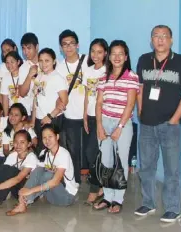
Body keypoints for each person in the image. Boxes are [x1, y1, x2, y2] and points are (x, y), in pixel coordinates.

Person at [135, 25, 181, 223]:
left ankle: (173, 208)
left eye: (164, 36)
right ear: (151, 40)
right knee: (146, 167)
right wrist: (140, 111)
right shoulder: (143, 60)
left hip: (170, 124)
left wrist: (174, 119)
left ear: (171, 40)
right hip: (146, 123)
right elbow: (139, 88)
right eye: (156, 36)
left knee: (171, 168)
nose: (160, 39)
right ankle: (148, 203)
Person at [92, 40, 139, 214]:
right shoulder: (103, 78)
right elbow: (98, 103)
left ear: (126, 57)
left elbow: (130, 104)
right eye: (113, 54)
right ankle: (107, 197)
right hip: (104, 121)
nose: (117, 57)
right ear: (109, 56)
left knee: (121, 162)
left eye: (121, 54)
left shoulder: (131, 76)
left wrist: (120, 126)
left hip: (123, 124)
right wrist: (99, 125)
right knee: (106, 162)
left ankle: (118, 199)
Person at [6, 124, 78, 216]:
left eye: (50, 137)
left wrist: (30, 191)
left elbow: (55, 182)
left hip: (66, 197)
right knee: (38, 170)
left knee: (48, 175)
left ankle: (24, 202)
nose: (47, 141)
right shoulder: (45, 152)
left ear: (57, 136)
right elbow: (36, 172)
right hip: (50, 197)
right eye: (44, 138)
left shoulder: (63, 154)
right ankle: (23, 202)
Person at [0, 130, 38, 213]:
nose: (18, 145)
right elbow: (1, 174)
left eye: (22, 142)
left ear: (29, 144)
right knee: (5, 168)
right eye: (15, 142)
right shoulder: (12, 155)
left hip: (28, 192)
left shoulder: (31, 157)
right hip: (17, 190)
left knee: (11, 170)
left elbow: (18, 179)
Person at [55, 29, 89, 184]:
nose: (68, 47)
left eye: (71, 44)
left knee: (91, 151)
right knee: (73, 151)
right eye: (64, 44)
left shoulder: (88, 61)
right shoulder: (59, 68)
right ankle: (75, 183)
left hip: (89, 114)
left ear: (78, 45)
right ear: (61, 48)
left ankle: (96, 184)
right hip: (70, 115)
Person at [82, 38, 108, 205]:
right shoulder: (89, 70)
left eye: (99, 52)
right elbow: (86, 95)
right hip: (90, 116)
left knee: (94, 153)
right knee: (91, 153)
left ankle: (95, 188)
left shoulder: (108, 71)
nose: (96, 55)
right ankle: (101, 186)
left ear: (105, 53)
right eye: (93, 51)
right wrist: (84, 116)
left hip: (103, 117)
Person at [30, 48, 68, 150]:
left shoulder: (57, 78)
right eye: (41, 61)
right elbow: (35, 100)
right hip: (39, 119)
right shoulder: (39, 77)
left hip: (53, 119)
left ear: (54, 61)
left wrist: (50, 117)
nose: (43, 64)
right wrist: (33, 121)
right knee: (42, 151)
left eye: (47, 60)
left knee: (54, 150)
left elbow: (64, 101)